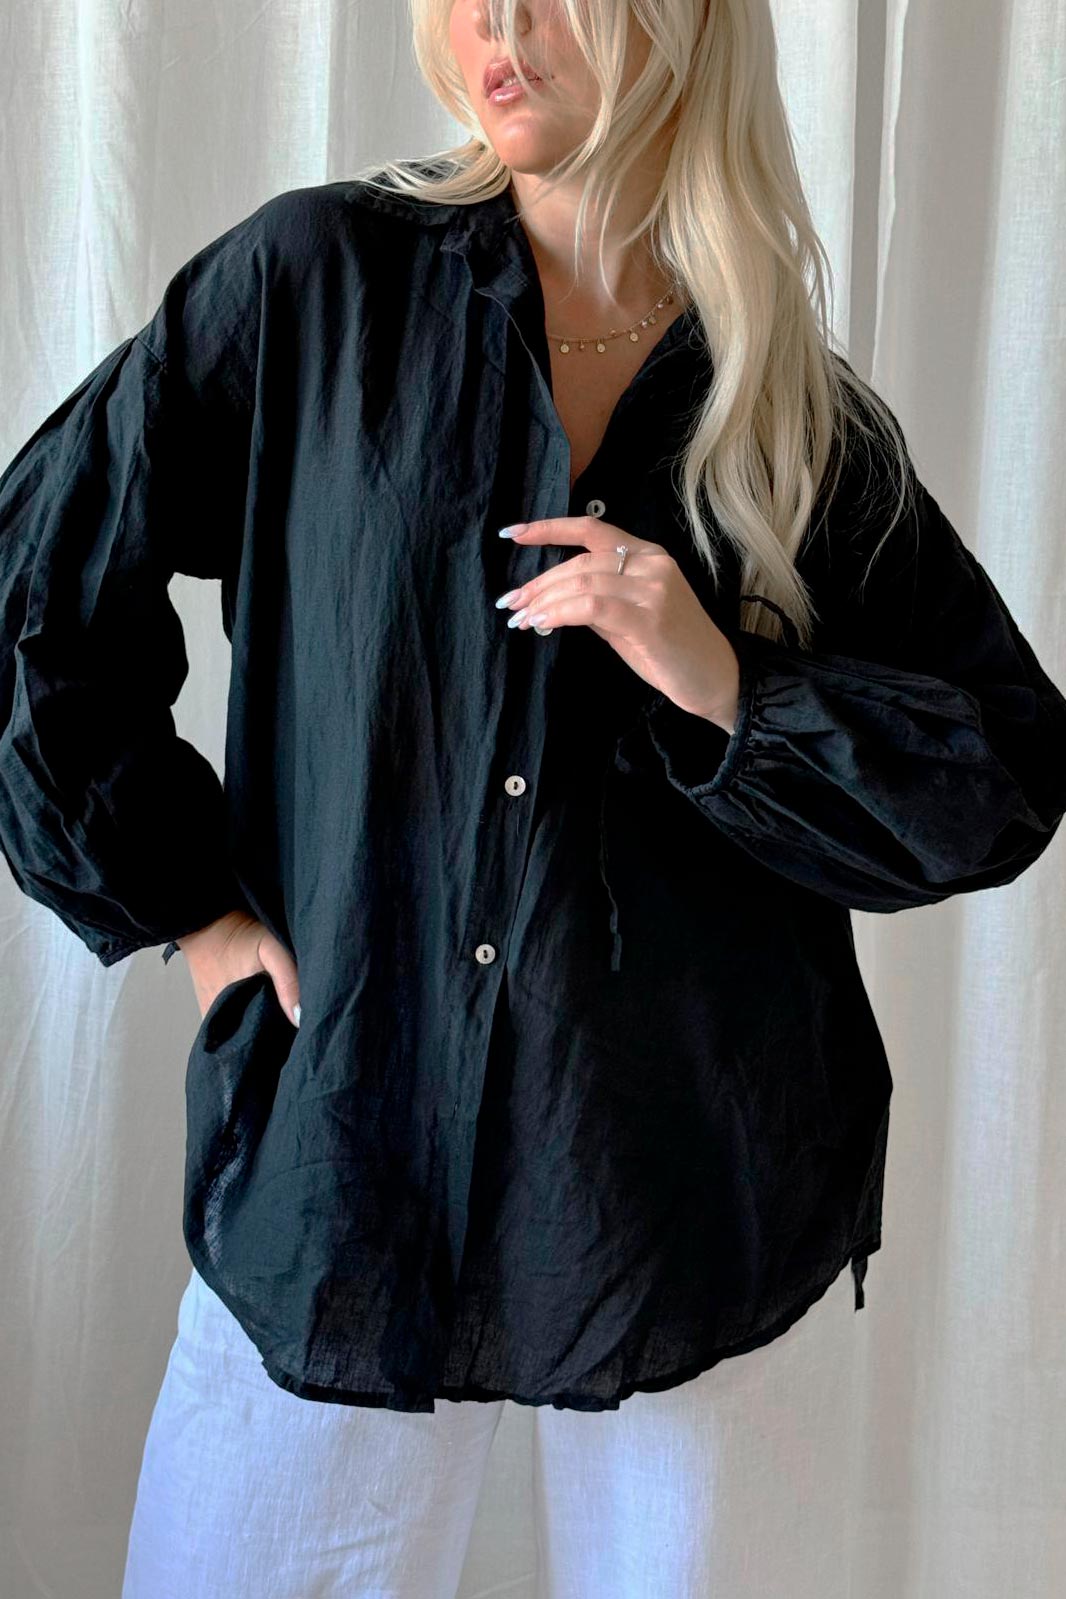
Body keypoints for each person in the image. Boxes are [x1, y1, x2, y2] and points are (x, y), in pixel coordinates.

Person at [2, 3, 1064, 1596]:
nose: (494, 22)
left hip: (681, 1197)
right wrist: (196, 915)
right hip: (341, 1168)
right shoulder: (314, 288)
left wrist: (727, 685)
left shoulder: (785, 410)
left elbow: (997, 777)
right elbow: (36, 594)